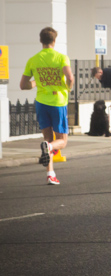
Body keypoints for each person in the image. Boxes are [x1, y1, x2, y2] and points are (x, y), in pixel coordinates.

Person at [19, 27, 75, 185]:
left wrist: (36, 82)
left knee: (47, 139)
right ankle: (49, 149)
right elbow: (70, 77)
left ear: (41, 40)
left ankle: (50, 174)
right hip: (58, 102)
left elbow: (23, 85)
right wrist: (68, 88)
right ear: (54, 41)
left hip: (41, 103)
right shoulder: (61, 57)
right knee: (61, 141)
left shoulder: (33, 59)